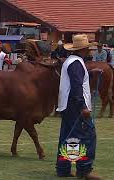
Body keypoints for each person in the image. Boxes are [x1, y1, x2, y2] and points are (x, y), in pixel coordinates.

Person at [56, 34, 100, 180]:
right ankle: (84, 170)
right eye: (88, 48)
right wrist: (83, 106)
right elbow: (76, 86)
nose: (89, 51)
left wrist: (89, 73)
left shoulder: (72, 61)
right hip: (75, 106)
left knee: (69, 138)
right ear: (84, 50)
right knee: (87, 136)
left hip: (67, 105)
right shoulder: (76, 63)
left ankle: (63, 169)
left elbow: (76, 80)